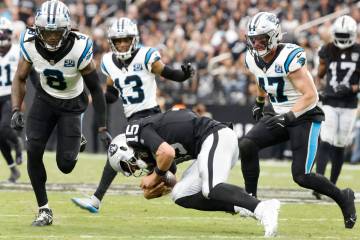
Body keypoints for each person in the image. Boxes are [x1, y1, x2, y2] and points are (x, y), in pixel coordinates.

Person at [239, 12, 356, 229]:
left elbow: (311, 95)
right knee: (247, 144)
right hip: (279, 114)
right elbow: (261, 77)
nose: (256, 43)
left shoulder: (288, 56)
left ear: (274, 36)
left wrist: (289, 116)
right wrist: (259, 100)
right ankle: (251, 201)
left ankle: (343, 197)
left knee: (301, 176)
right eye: (253, 39)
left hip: (305, 116)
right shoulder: (252, 58)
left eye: (261, 39)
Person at [71, 17, 194, 213]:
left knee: (119, 151)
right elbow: (111, 94)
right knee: (150, 165)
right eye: (118, 41)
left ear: (134, 39)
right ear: (112, 42)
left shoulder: (146, 55)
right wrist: (96, 97)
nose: (122, 44)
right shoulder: (109, 62)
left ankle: (96, 199)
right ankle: (177, 183)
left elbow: (167, 73)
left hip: (151, 117)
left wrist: (183, 75)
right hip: (133, 121)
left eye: (126, 40)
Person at [10, 0, 111, 226]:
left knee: (65, 166)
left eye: (56, 33)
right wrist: (17, 108)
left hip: (72, 104)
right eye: (47, 32)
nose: (52, 38)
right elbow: (20, 77)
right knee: (33, 150)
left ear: (67, 30)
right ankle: (44, 209)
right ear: (38, 30)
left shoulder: (79, 46)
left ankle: (76, 142)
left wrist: (102, 126)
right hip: (45, 100)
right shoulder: (29, 43)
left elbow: (95, 87)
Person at [109, 109, 281, 237]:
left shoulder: (135, 131)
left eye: (127, 166)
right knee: (180, 194)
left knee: (211, 188)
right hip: (206, 148)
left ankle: (263, 208)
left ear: (125, 149)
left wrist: (155, 176)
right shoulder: (150, 154)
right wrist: (156, 189)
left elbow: (167, 153)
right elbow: (172, 179)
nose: (134, 169)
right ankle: (245, 206)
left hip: (215, 136)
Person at [313, 15, 360, 198]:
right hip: (330, 101)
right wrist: (321, 67)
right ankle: (319, 185)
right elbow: (321, 73)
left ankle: (331, 186)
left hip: (349, 103)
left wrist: (352, 87)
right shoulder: (327, 49)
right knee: (326, 140)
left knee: (340, 144)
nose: (341, 37)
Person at [0, 17, 23, 182]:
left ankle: (17, 143)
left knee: (4, 129)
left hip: (10, 94)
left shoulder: (17, 50)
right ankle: (13, 170)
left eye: (4, 33)